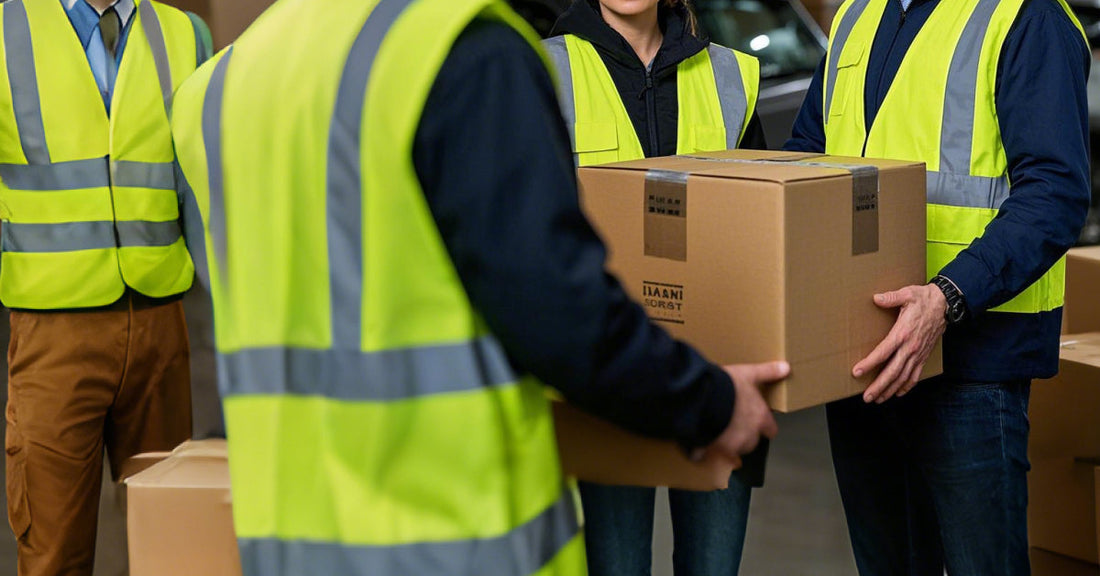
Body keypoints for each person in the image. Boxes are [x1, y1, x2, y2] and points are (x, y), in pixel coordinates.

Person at [169, 0, 788, 572]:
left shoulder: (221, 82)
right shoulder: (461, 52)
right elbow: (554, 311)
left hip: (294, 536)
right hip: (446, 529)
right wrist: (711, 403)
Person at [784, 0, 1091, 572]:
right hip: (861, 356)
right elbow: (807, 158)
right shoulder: (855, 14)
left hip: (972, 363)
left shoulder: (1027, 17)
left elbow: (1056, 193)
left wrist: (946, 297)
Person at [543, 1, 766, 573]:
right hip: (604, 379)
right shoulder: (546, 68)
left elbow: (766, 231)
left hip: (718, 374)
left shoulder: (728, 75)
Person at [0, 0, 210, 574]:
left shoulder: (185, 35)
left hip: (162, 328)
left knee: (176, 543)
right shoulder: (5, 28)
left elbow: (202, 185)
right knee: (53, 553)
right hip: (53, 332)